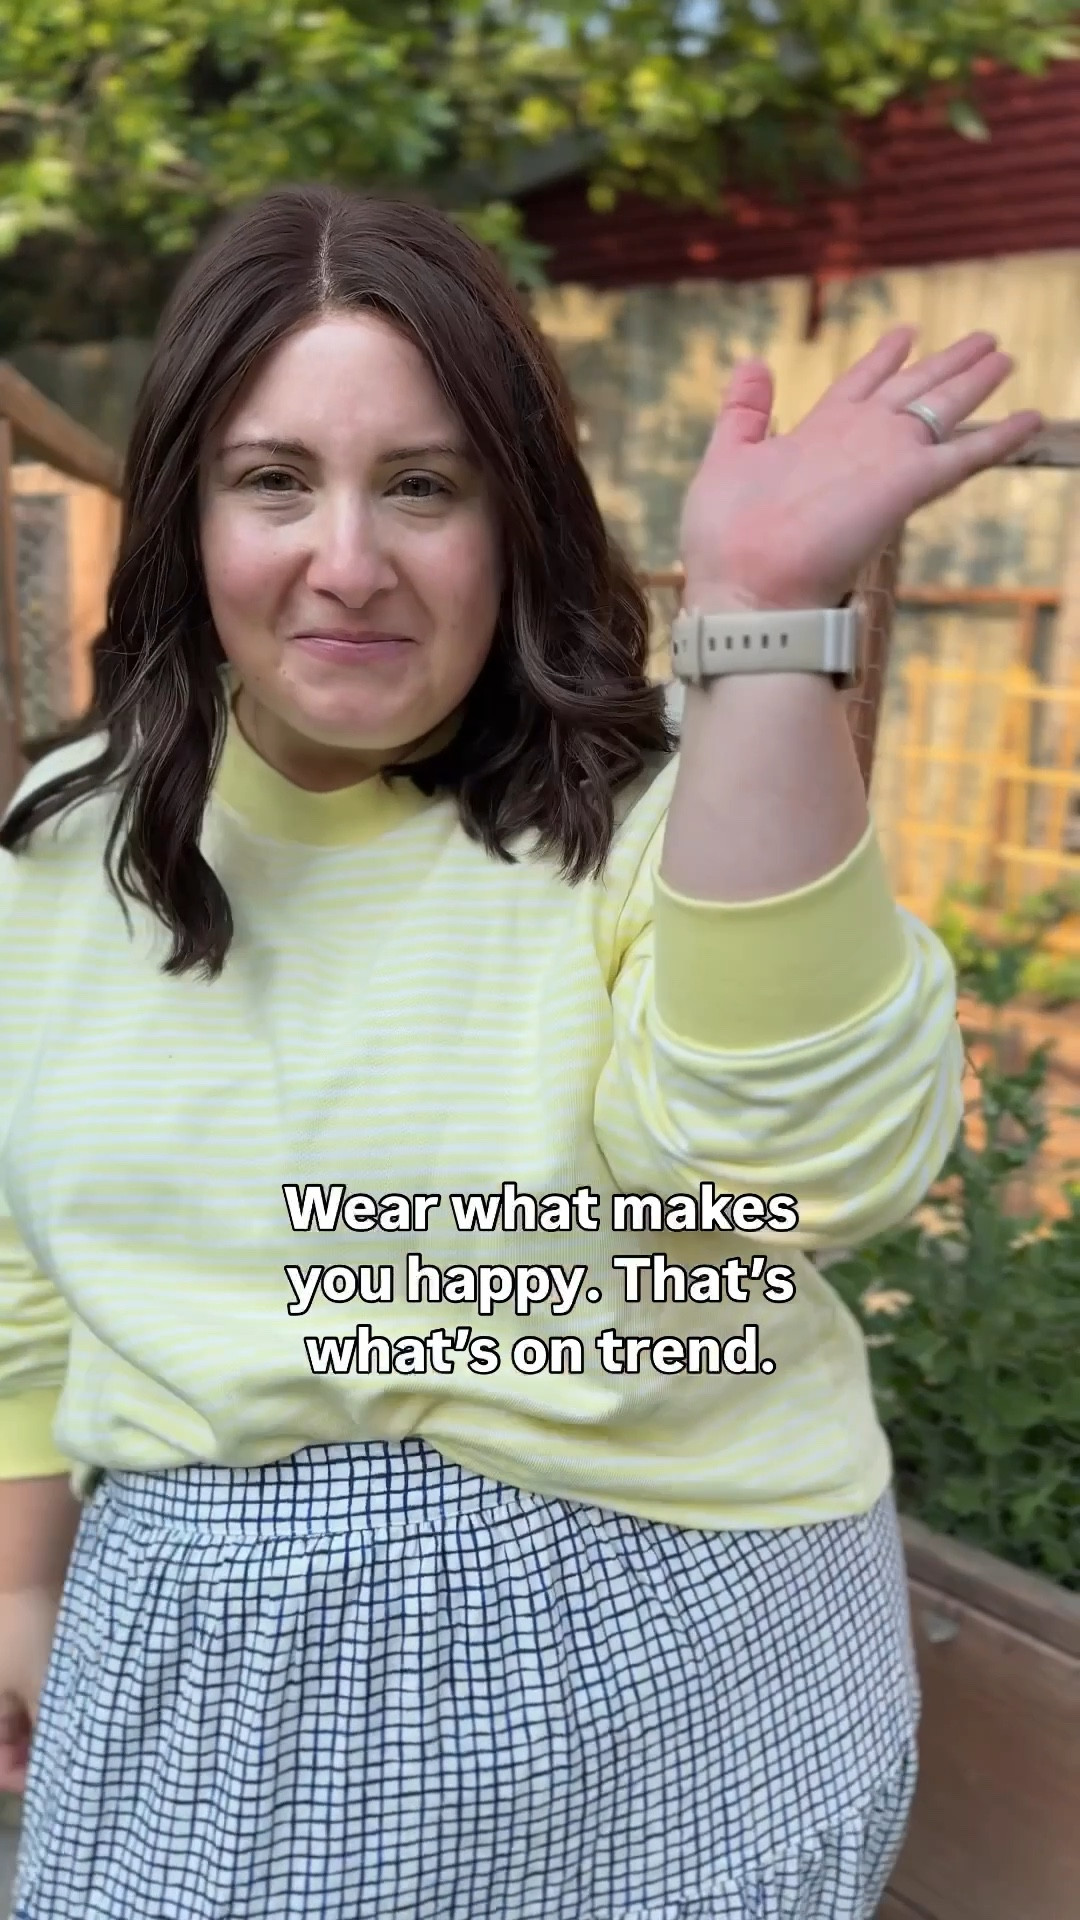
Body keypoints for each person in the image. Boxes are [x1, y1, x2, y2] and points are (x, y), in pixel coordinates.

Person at [0, 182, 1039, 1920]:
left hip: (692, 1660)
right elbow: (26, 1254)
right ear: (184, 514)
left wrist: (767, 626)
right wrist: (24, 1585)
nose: (349, 558)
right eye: (274, 480)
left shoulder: (671, 823)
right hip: (203, 1658)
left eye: (424, 482)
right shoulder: (56, 840)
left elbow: (775, 1204)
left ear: (516, 509)